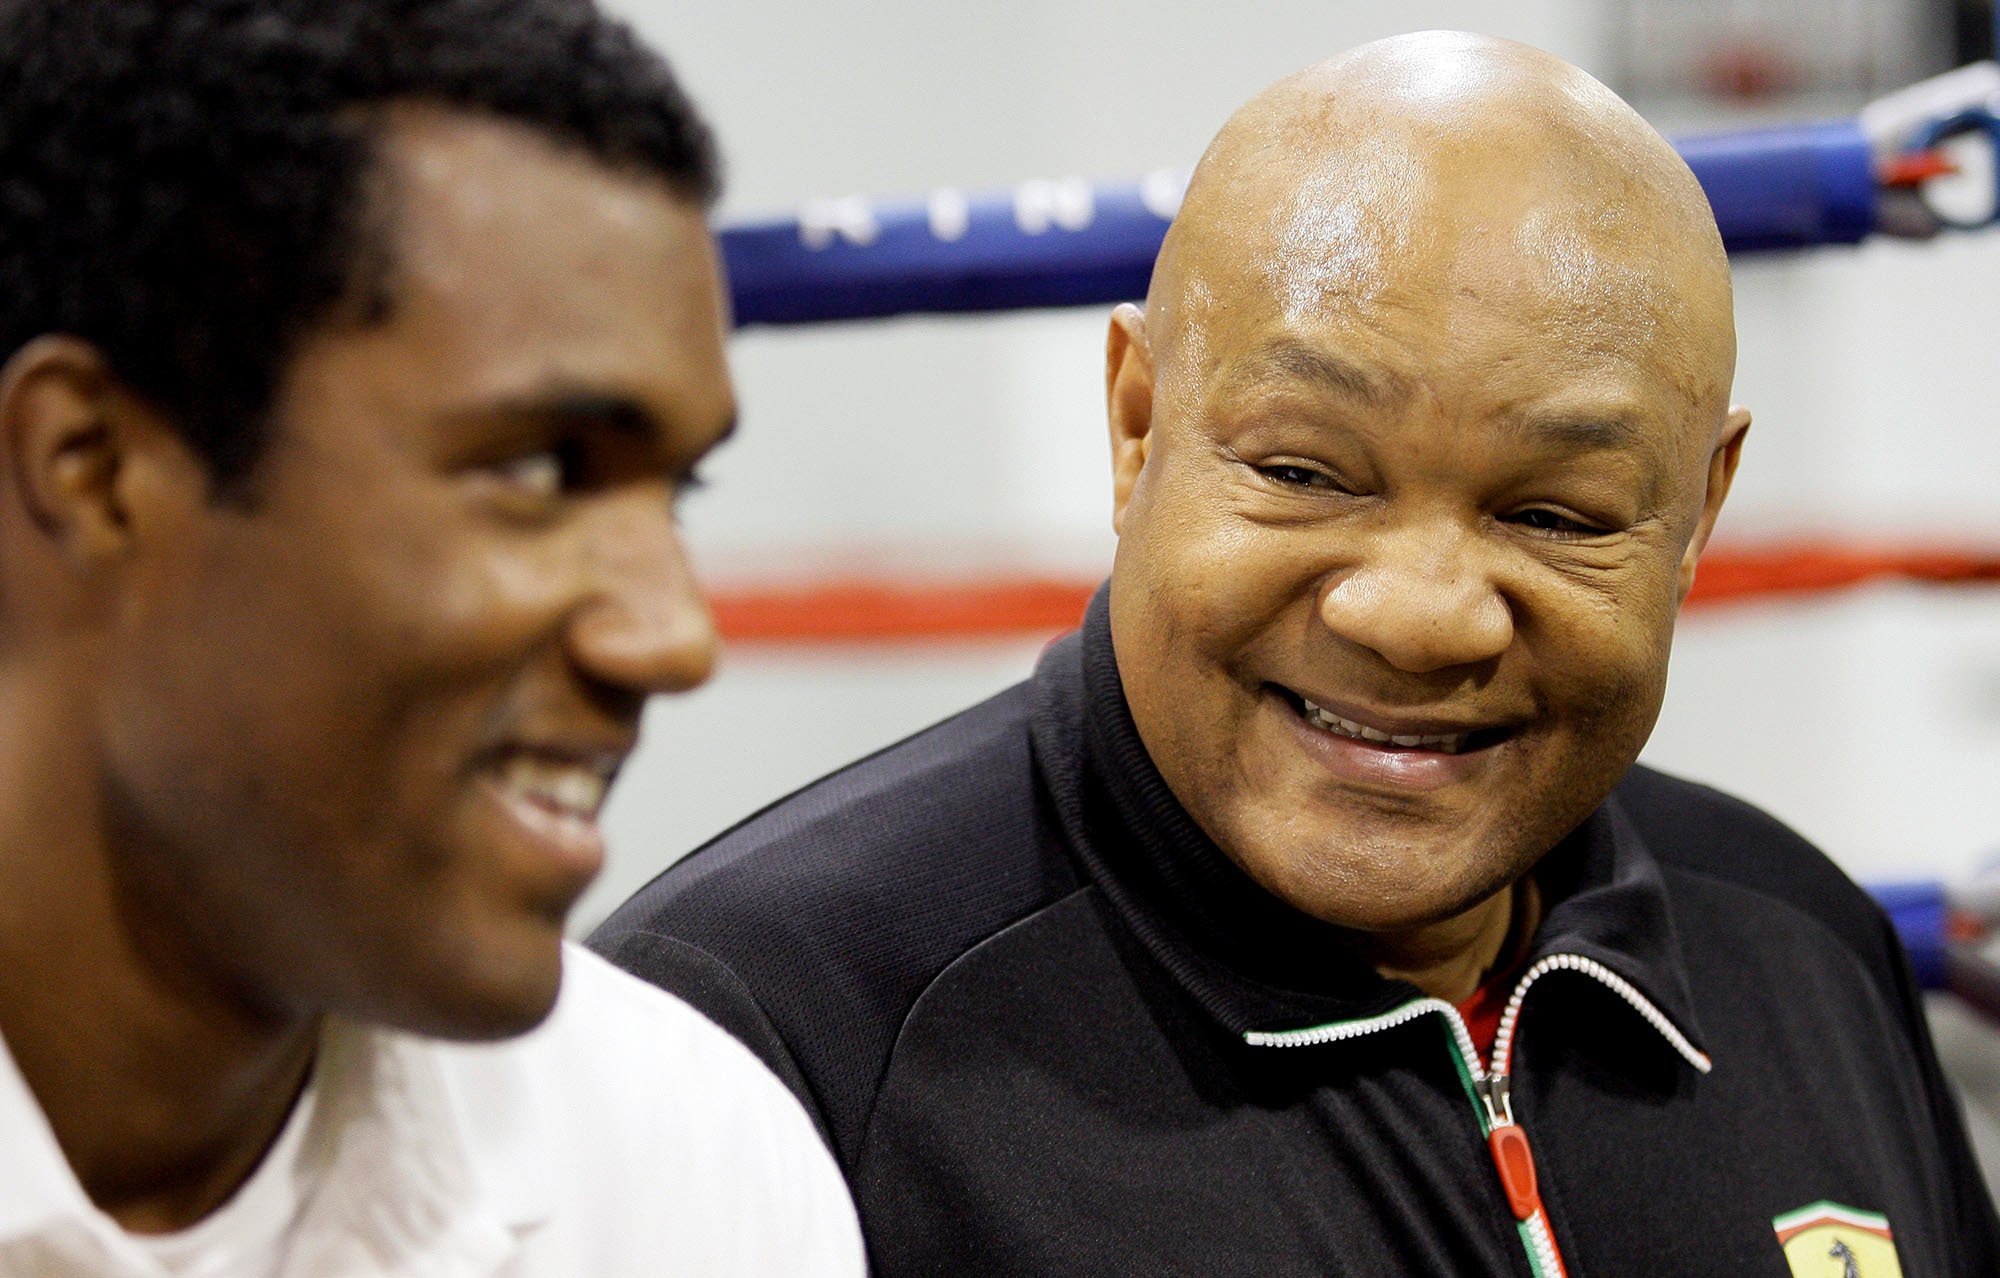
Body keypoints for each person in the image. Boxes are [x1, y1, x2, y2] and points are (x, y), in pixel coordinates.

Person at [594, 30, 2000, 1277]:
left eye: (1556, 512)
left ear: (1698, 513)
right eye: (1310, 471)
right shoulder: (761, 1032)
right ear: (1138, 425)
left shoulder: (1803, 944)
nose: (1422, 611)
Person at [0, 1, 865, 1274]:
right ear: (96, 470)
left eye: (675, 495)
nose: (674, 638)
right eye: (536, 471)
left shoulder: (681, 1164)